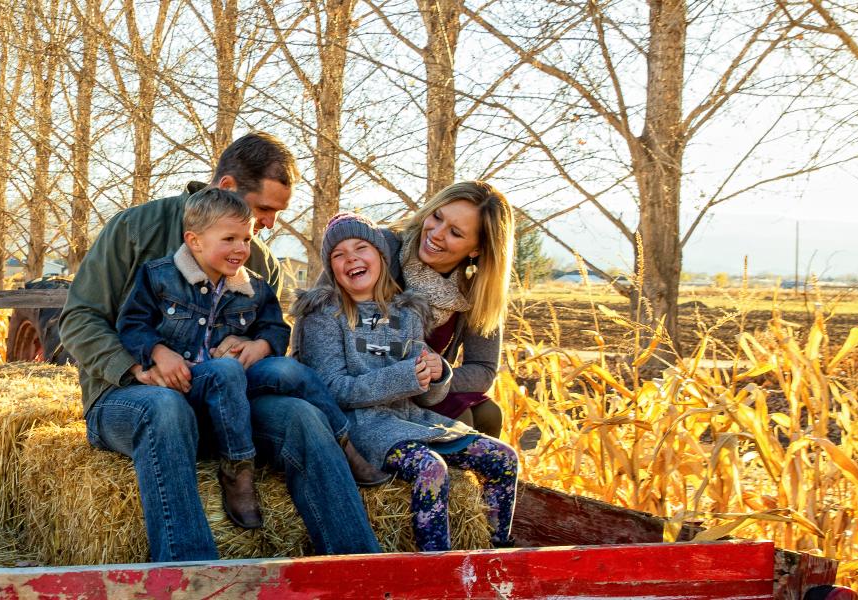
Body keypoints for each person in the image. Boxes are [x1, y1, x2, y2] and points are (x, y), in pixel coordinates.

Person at [58, 132, 382, 561]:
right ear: (226, 188)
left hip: (225, 404)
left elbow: (271, 332)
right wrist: (138, 367)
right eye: (264, 209)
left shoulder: (257, 260)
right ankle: (190, 575)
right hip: (128, 400)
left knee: (302, 415)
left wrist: (256, 347)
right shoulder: (135, 229)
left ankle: (359, 569)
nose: (268, 225)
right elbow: (79, 319)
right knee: (165, 408)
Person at [292, 213, 520, 551]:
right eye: (338, 255)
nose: (351, 258)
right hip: (362, 428)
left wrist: (438, 372)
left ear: (383, 257)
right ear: (331, 268)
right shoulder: (325, 316)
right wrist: (403, 377)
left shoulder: (407, 313)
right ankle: (436, 565)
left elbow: (425, 393)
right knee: (431, 470)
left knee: (503, 458)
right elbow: (333, 389)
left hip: (412, 420)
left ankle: (494, 553)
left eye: (361, 248)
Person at [393, 181, 516, 437]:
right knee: (460, 419)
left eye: (455, 233)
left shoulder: (476, 289)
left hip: (429, 386)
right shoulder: (381, 250)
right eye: (436, 216)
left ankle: (476, 478)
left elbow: (483, 369)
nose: (436, 233)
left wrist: (439, 375)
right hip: (371, 378)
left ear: (477, 249)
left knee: (489, 414)